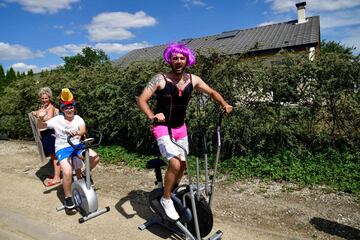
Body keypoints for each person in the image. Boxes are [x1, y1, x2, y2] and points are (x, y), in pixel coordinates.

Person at [137, 43, 233, 220]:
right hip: (163, 128)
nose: (179, 61)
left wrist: (224, 104)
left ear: (187, 60)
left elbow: (211, 92)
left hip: (180, 128)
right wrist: (152, 116)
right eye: (175, 58)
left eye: (182, 58)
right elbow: (142, 100)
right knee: (174, 163)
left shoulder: (192, 79)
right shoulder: (159, 79)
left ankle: (171, 190)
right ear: (170, 60)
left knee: (182, 164)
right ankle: (166, 199)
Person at [37, 88, 100, 209]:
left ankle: (85, 174)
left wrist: (77, 133)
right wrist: (40, 118)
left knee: (95, 158)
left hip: (77, 145)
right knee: (67, 172)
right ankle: (68, 197)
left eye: (71, 107)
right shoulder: (57, 120)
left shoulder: (78, 118)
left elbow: (83, 130)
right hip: (62, 148)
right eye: (66, 108)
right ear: (62, 109)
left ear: (74, 108)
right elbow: (41, 127)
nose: (69, 109)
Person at [32, 87, 61, 187]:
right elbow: (38, 113)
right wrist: (36, 113)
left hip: (50, 133)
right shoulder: (43, 107)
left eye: (46, 98)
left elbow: (48, 119)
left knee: (55, 155)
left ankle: (57, 177)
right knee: (53, 155)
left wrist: (38, 115)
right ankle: (57, 175)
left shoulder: (51, 108)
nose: (44, 100)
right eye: (42, 98)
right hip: (45, 133)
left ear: (50, 98)